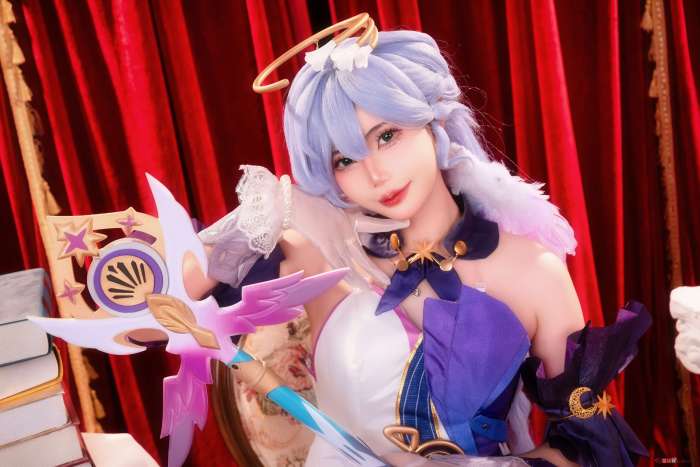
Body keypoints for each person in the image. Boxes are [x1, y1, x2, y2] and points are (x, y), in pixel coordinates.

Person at [185, 15, 649, 467]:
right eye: (344, 159)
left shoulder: (532, 271)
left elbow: (590, 445)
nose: (375, 173)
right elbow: (164, 305)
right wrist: (257, 214)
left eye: (388, 136)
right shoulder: (317, 253)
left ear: (434, 121)